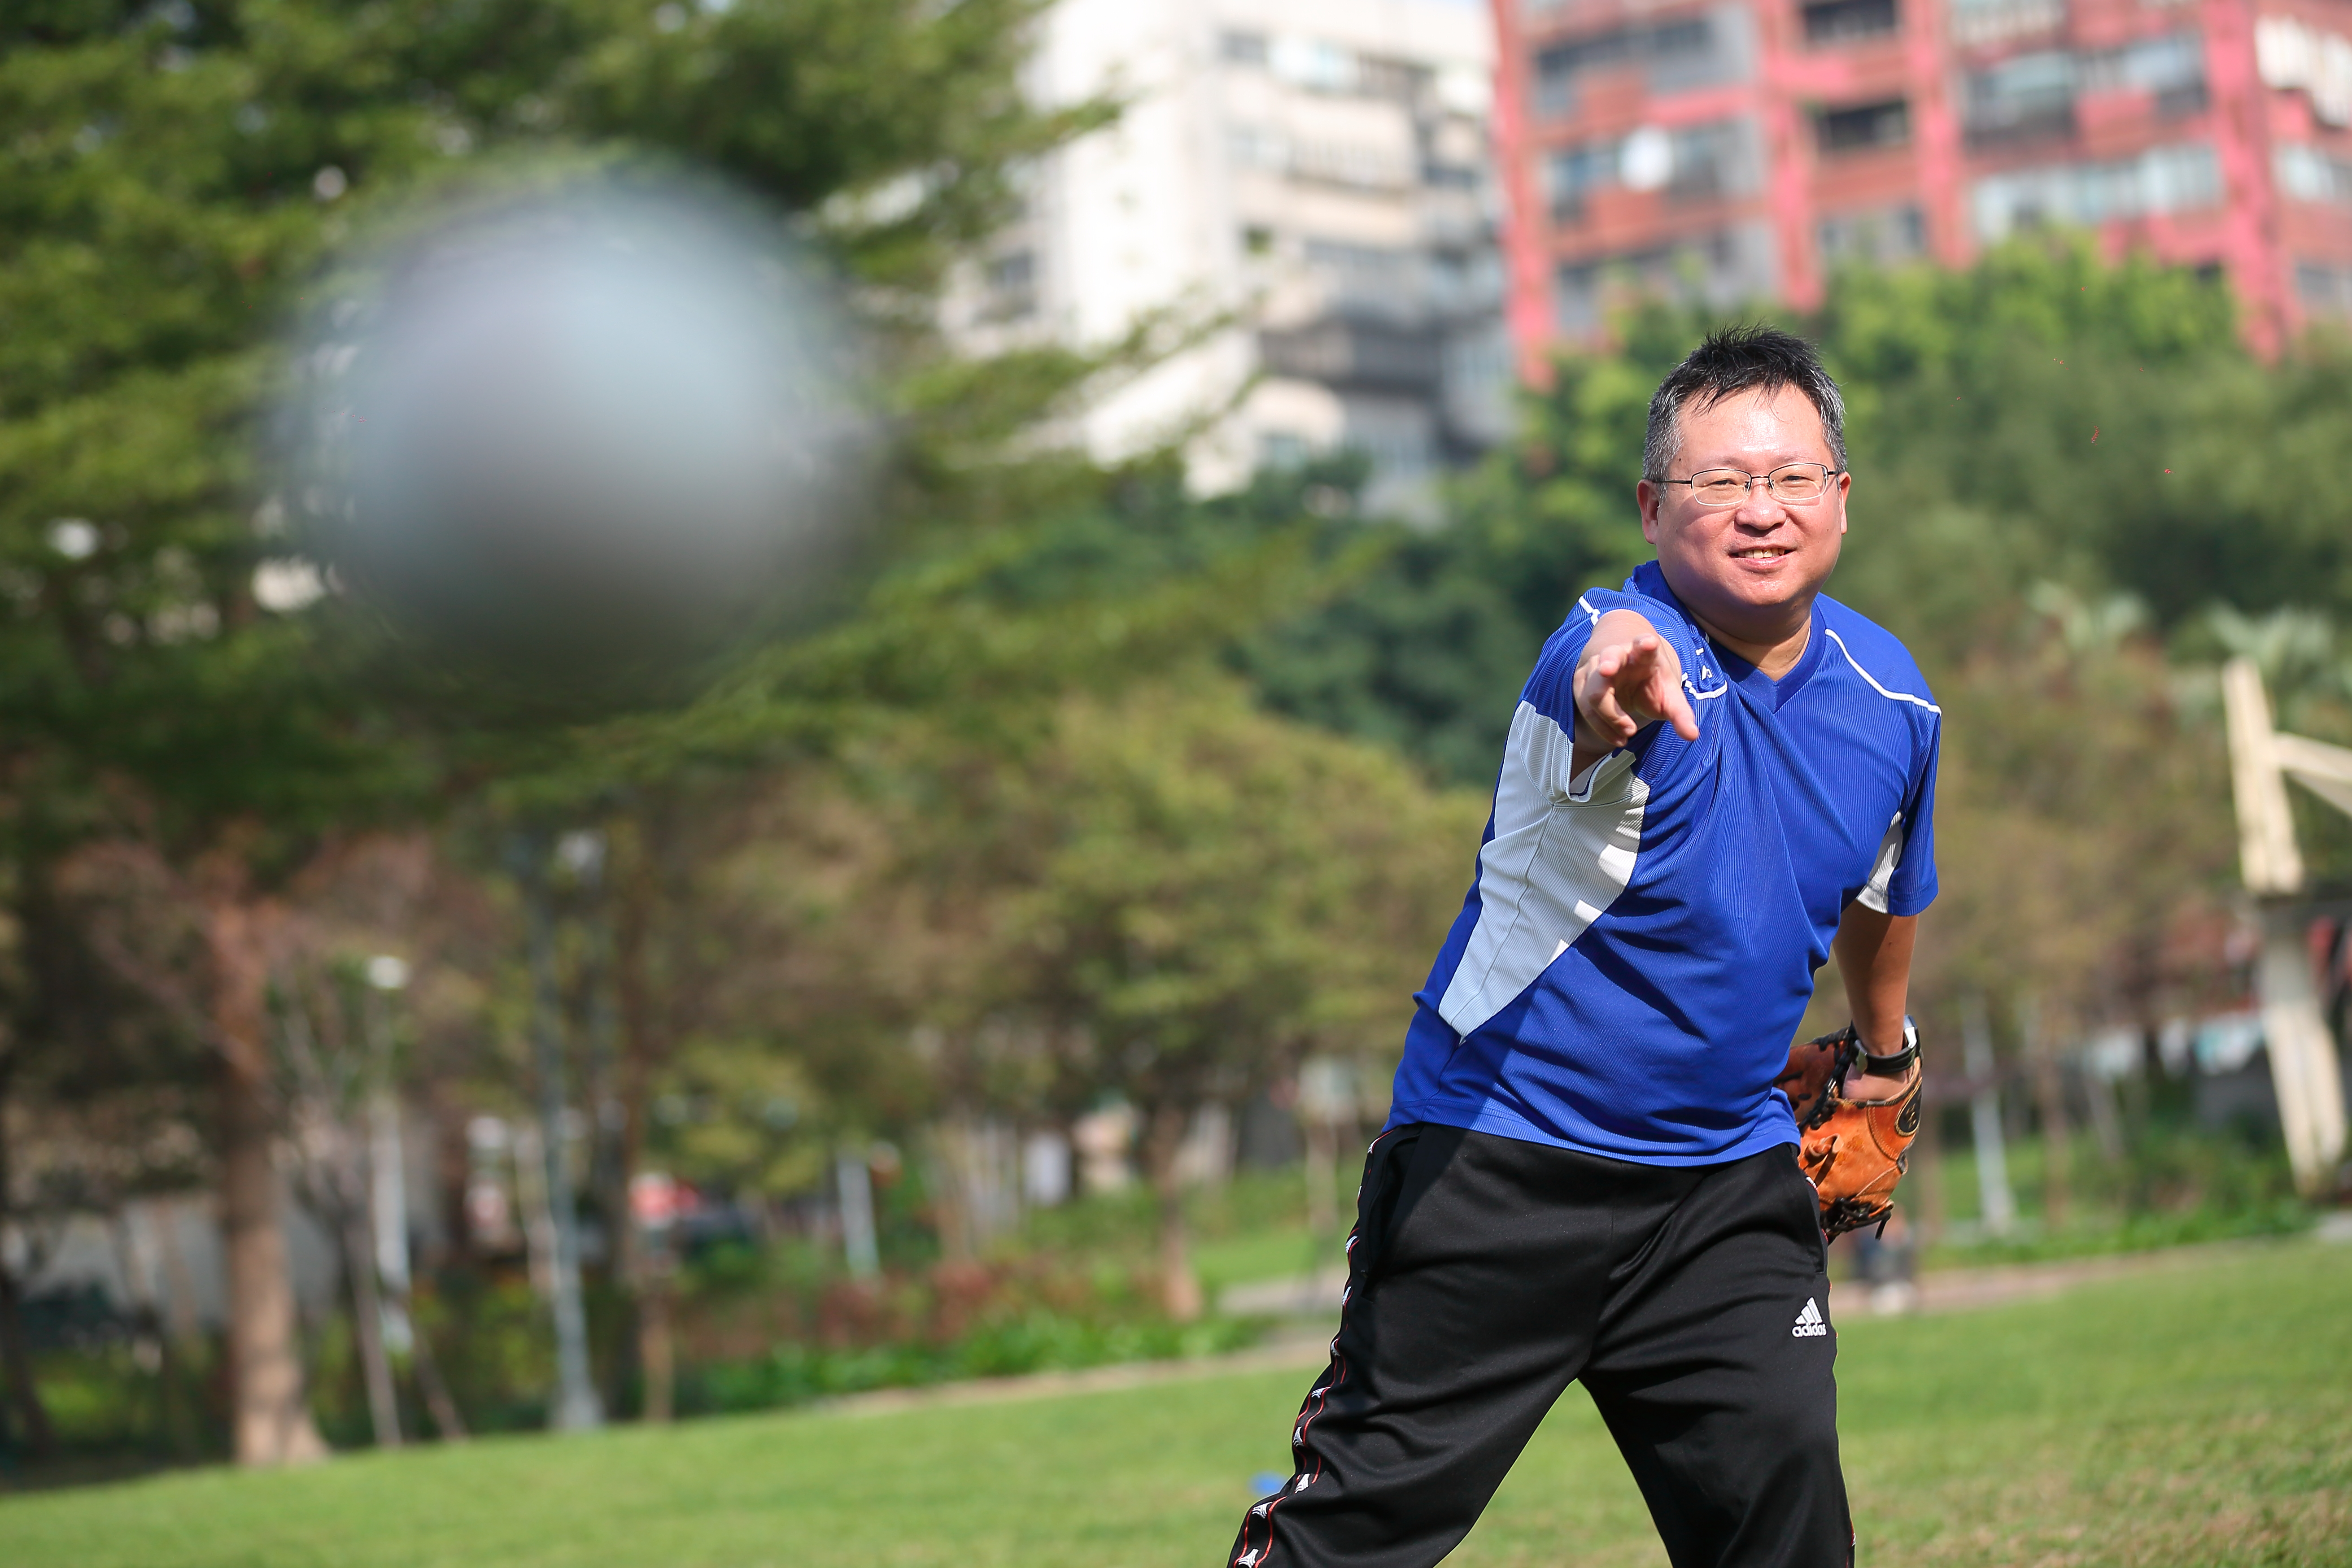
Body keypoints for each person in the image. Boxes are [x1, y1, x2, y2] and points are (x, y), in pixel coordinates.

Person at [1224, 326, 1937, 1568]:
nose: (1759, 511)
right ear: (1653, 510)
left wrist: (1883, 1053)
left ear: (1839, 496)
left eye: (1788, 478)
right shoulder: (1610, 647)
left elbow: (1884, 890)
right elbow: (1590, 688)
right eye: (1718, 484)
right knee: (1352, 1537)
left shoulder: (1892, 699)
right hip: (1499, 1168)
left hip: (1721, 1184)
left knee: (1786, 1520)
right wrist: (1608, 689)